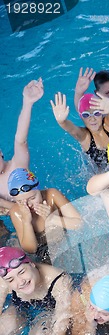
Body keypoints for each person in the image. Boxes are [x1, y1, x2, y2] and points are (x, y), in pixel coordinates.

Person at [0, 79, 44, 242]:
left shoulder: (17, 166)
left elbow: (20, 139)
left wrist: (27, 103)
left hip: (39, 213)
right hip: (17, 224)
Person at [8, 168, 82, 263]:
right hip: (42, 252)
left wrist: (52, 218)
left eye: (32, 198)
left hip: (65, 240)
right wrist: (26, 222)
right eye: (20, 201)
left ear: (39, 190)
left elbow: (78, 224)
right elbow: (31, 250)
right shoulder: (16, 211)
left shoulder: (52, 196)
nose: (28, 205)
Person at [51, 91, 109, 172]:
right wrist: (62, 121)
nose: (92, 119)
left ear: (102, 113)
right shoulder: (85, 136)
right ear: (81, 117)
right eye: (86, 115)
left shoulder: (107, 126)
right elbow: (72, 130)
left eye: (96, 113)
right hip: (101, 174)